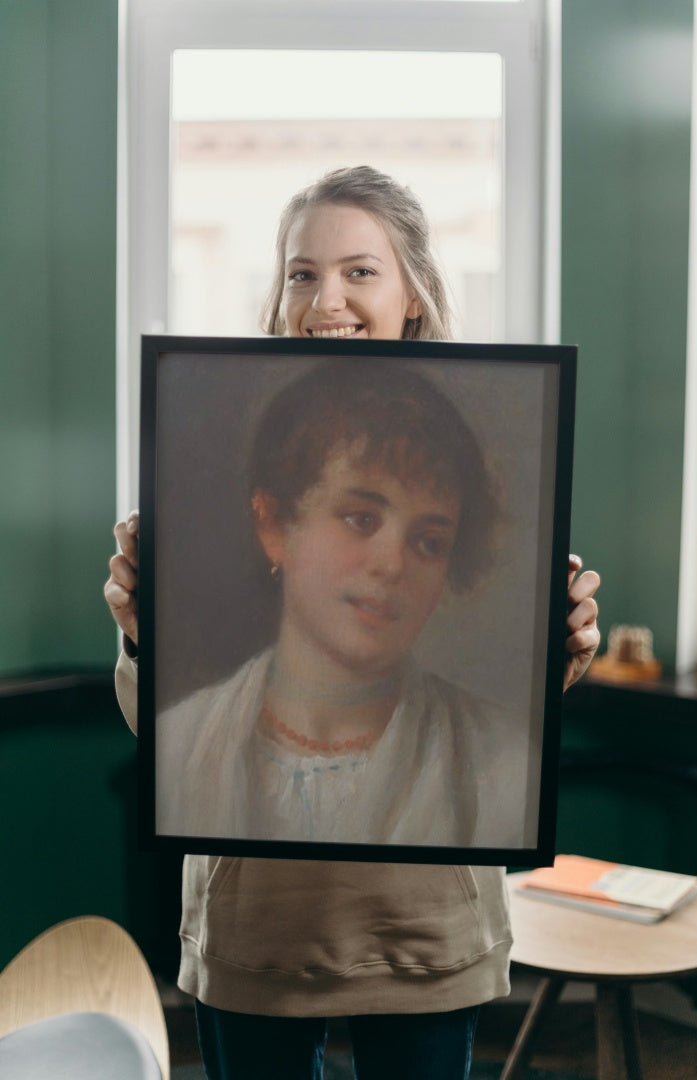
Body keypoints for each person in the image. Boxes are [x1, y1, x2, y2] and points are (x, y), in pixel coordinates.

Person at [105, 165, 601, 1080]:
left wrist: (555, 655)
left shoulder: (480, 740)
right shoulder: (202, 724)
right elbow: (163, 740)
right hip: (257, 930)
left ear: (412, 292)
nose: (326, 297)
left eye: (360, 271)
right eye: (302, 272)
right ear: (273, 520)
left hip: (423, 932)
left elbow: (515, 745)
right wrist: (144, 635)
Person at [154, 359, 532, 848]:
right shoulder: (180, 745)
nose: (392, 565)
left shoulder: (500, 759)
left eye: (429, 543)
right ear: (273, 527)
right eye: (361, 519)